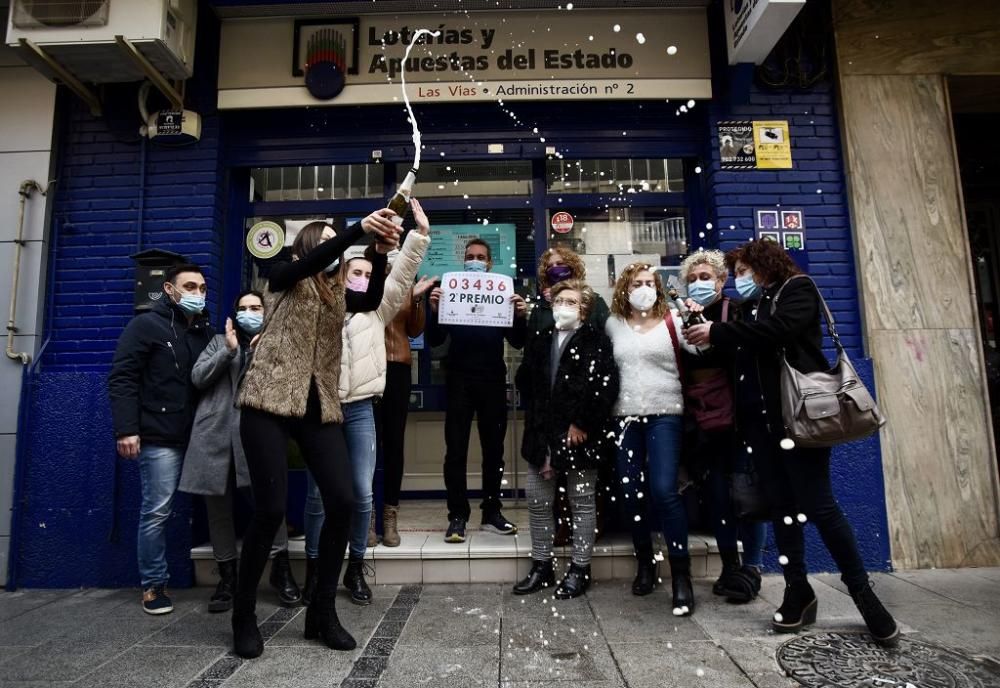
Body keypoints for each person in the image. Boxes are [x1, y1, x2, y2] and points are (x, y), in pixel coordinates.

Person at [684, 240, 899, 646]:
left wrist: (720, 330)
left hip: (798, 422)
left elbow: (776, 332)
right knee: (782, 510)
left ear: (764, 266)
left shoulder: (797, 290)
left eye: (745, 270)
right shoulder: (752, 306)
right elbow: (737, 347)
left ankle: (863, 594)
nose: (741, 278)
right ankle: (797, 590)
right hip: (760, 428)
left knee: (820, 506)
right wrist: (706, 331)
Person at [231, 210, 397, 659]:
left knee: (344, 499)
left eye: (336, 241)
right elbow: (307, 262)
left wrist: (378, 254)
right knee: (270, 511)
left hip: (318, 403)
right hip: (267, 399)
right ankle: (243, 616)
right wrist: (355, 231)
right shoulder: (282, 276)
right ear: (308, 246)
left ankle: (320, 613)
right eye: (326, 241)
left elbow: (372, 298)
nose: (334, 248)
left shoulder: (337, 293)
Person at [302, 203, 434, 606]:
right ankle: (312, 570)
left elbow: (403, 274)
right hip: (321, 409)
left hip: (359, 409)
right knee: (317, 496)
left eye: (366, 272)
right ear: (341, 274)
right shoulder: (320, 304)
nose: (361, 277)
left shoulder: (378, 309)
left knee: (361, 493)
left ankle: (356, 567)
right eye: (353, 272)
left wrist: (419, 236)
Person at [178, 291, 301, 613]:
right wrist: (229, 352)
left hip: (257, 436)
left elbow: (290, 384)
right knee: (218, 511)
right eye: (243, 308)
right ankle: (227, 577)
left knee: (269, 505)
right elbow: (197, 378)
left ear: (267, 311)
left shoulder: (276, 340)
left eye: (256, 308)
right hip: (215, 436)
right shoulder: (220, 341)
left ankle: (281, 569)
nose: (249, 313)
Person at [108, 263, 214, 615]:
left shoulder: (204, 331)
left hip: (199, 434)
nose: (197, 293)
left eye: (201, 287)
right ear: (169, 289)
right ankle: (154, 585)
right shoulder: (145, 326)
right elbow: (123, 378)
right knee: (157, 510)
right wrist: (126, 429)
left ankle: (225, 578)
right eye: (190, 286)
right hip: (159, 436)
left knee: (219, 499)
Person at [513, 279, 619, 599]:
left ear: (584, 310)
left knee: (582, 502)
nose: (564, 306)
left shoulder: (596, 340)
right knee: (538, 499)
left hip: (578, 434)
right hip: (542, 433)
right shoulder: (542, 339)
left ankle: (579, 568)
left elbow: (605, 386)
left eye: (572, 302)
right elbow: (526, 382)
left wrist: (581, 422)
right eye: (560, 301)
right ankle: (542, 565)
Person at [606, 262, 696, 615]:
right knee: (631, 493)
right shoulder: (613, 324)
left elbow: (703, 351)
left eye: (650, 282)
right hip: (624, 418)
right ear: (625, 288)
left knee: (663, 490)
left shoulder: (673, 319)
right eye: (637, 282)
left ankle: (681, 575)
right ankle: (645, 560)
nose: (644, 287)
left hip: (666, 414)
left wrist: (696, 320)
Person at [679, 250, 767, 603]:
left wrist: (714, 332)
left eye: (706, 277)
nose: (699, 283)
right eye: (694, 278)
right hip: (703, 419)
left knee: (747, 492)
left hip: (738, 418)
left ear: (721, 281)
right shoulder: (684, 316)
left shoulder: (738, 311)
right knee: (715, 493)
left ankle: (753, 566)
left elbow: (744, 353)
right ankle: (730, 564)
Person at [427, 238, 527, 543]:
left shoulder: (503, 289)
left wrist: (520, 316)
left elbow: (518, 342)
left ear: (489, 263)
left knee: (493, 451)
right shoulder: (450, 292)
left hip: (493, 380)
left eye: (480, 257)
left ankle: (491, 512)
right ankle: (457, 515)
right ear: (463, 261)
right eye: (470, 256)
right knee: (455, 451)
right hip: (458, 380)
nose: (475, 260)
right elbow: (433, 341)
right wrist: (433, 309)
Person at [528, 247, 612, 547]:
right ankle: (547, 552)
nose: (556, 268)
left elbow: (602, 377)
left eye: (562, 264)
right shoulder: (540, 312)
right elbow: (529, 369)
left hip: (578, 417)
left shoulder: (594, 317)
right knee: (541, 493)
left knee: (582, 492)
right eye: (551, 265)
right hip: (546, 419)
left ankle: (581, 555)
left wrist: (583, 418)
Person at [378, 243, 430, 547]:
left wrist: (418, 298)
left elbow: (414, 330)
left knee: (394, 442)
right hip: (368, 367)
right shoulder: (365, 280)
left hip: (397, 367)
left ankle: (389, 517)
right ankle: (367, 515)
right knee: (367, 442)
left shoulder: (408, 286)